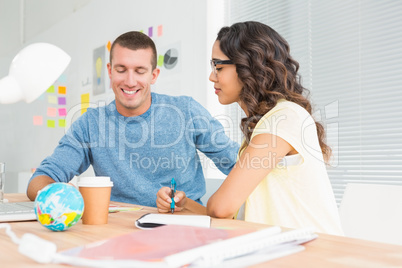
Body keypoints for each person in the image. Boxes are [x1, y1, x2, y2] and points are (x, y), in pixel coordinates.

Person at [156, 21, 343, 235]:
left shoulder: (284, 118)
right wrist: (184, 204)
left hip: (313, 252)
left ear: (248, 66)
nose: (211, 76)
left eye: (218, 67)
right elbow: (230, 216)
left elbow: (221, 208)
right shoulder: (266, 126)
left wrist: (216, 206)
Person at [27, 31, 239, 207]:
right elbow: (39, 180)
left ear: (153, 75)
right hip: (117, 230)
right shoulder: (90, 124)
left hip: (183, 225)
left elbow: (238, 164)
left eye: (139, 71)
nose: (130, 81)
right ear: (109, 71)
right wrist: (58, 191)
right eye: (121, 70)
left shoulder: (186, 111)